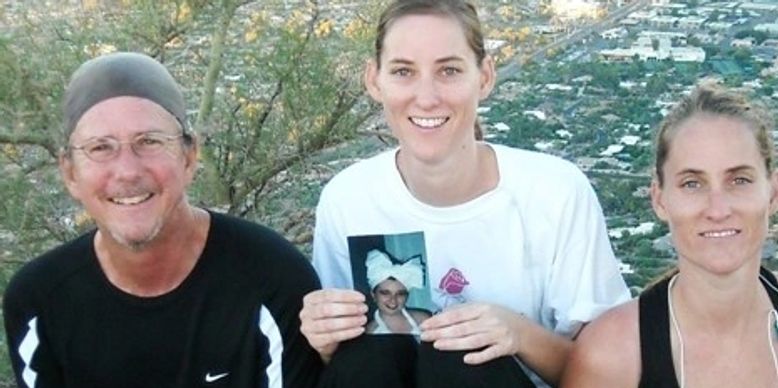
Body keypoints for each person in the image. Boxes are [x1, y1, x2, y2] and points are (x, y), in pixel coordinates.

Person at [298, 1, 630, 387]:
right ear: (374, 80)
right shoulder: (349, 198)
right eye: (404, 71)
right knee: (376, 353)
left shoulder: (555, 193)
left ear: (485, 76)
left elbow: (611, 375)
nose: (426, 97)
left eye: (449, 70)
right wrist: (324, 341)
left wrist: (517, 334)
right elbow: (351, 365)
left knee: (458, 357)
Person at [2, 52, 322, 388]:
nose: (127, 171)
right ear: (69, 172)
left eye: (149, 141)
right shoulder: (41, 301)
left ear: (189, 157)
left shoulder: (272, 279)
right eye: (100, 148)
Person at [560, 82, 778, 387]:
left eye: (739, 180)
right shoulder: (614, 356)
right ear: (659, 199)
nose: (718, 209)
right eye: (692, 183)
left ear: (772, 192)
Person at [364, 249, 430, 335]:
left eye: (400, 294)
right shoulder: (370, 332)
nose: (393, 300)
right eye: (385, 293)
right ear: (373, 295)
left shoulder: (424, 320)